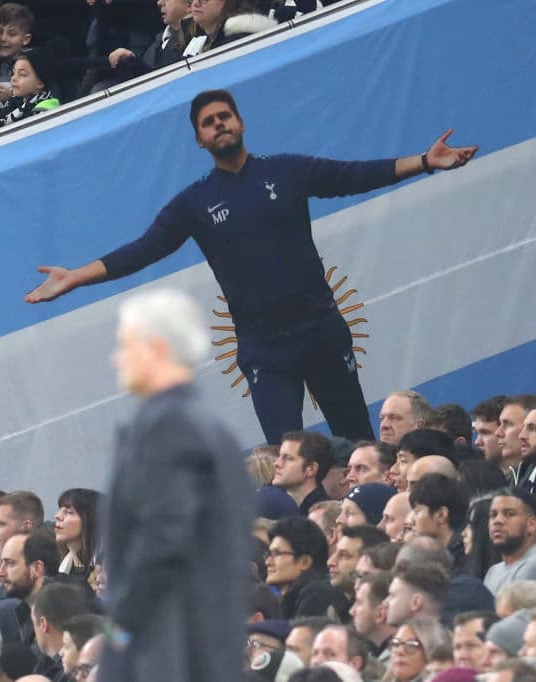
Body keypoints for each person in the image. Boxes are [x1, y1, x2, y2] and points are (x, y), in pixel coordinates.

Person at [24, 89, 477, 445]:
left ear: (240, 122)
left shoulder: (287, 171)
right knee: (289, 458)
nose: (218, 124)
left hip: (321, 329)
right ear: (199, 140)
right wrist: (77, 276)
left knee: (358, 441)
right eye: (208, 122)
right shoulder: (195, 203)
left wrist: (424, 162)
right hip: (264, 350)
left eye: (224, 116)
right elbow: (145, 249)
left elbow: (353, 175)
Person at [96, 289, 252, 682]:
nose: (116, 358)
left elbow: (163, 538)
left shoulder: (168, 426)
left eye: (124, 345)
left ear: (156, 349)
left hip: (164, 651)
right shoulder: (213, 429)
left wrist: (119, 628)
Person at [483, 488, 536, 594]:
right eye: (493, 515)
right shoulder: (493, 571)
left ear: (531, 524)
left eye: (509, 514)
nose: (498, 521)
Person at [0, 4, 33, 113]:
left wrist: (11, 98)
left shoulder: (33, 68)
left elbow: (40, 105)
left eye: (12, 34)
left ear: (26, 39)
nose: (3, 38)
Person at [0, 44, 61, 128]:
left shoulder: (43, 113)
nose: (13, 78)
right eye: (13, 72)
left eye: (22, 74)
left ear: (40, 84)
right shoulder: (15, 101)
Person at [53, 488, 101, 579]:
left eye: (69, 512)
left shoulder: (104, 577)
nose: (57, 516)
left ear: (90, 520)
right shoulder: (56, 571)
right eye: (60, 509)